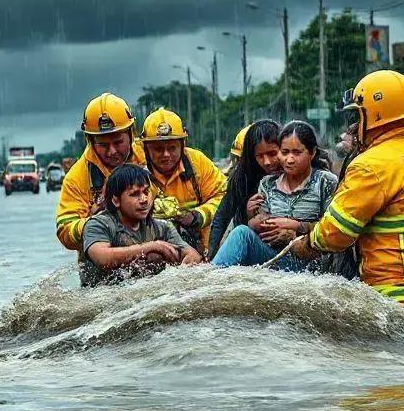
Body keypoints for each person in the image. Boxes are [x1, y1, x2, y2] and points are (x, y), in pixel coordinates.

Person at [289, 70, 404, 322]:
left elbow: (337, 231)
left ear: (375, 115)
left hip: (397, 302)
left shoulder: (372, 164)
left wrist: (306, 244)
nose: (355, 126)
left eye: (358, 117)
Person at [213, 121, 338, 270]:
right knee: (241, 232)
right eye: (285, 152)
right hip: (275, 257)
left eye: (297, 152)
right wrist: (253, 219)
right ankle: (212, 279)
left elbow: (335, 228)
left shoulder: (325, 181)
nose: (289, 159)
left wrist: (296, 228)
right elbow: (224, 219)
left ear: (312, 153)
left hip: (313, 261)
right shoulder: (265, 183)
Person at [81, 164, 203, 287]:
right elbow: (103, 258)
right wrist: (152, 247)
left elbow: (193, 255)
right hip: (105, 295)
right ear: (116, 200)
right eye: (135, 194)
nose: (144, 199)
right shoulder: (97, 225)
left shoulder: (162, 227)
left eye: (146, 191)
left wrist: (182, 272)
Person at [55, 93, 146, 251]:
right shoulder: (76, 178)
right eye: (103, 145)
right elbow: (65, 230)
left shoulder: (151, 155)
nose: (112, 151)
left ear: (131, 134)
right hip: (103, 265)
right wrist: (98, 221)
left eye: (118, 142)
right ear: (90, 141)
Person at [139, 107, 227, 255]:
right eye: (158, 149)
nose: (166, 155)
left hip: (202, 252)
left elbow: (224, 196)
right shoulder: (136, 172)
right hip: (155, 253)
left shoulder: (197, 163)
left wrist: (198, 215)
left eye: (172, 148)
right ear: (146, 148)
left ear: (183, 144)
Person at [206, 120, 283, 258]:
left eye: (272, 154)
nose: (267, 162)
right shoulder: (243, 176)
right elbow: (221, 218)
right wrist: (210, 256)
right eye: (259, 156)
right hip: (254, 244)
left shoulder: (296, 172)